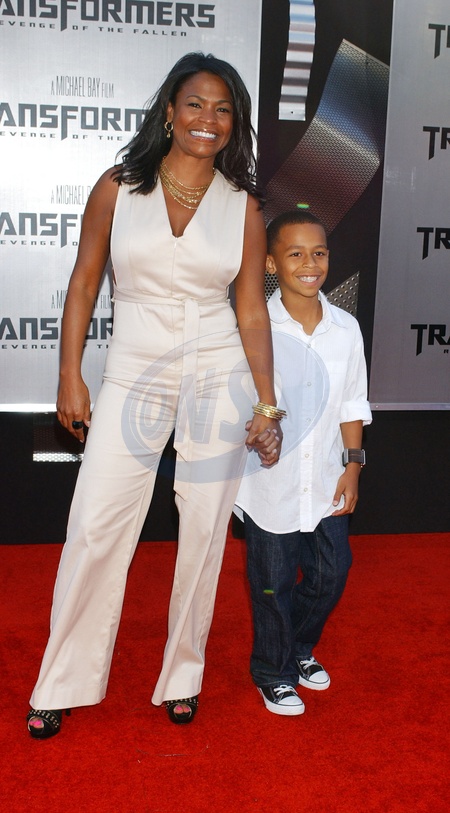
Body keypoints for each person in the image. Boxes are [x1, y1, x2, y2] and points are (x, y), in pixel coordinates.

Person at [27, 52, 284, 739]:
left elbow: (251, 311)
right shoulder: (119, 187)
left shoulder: (243, 206)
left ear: (235, 124)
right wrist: (69, 374)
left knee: (204, 527)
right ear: (169, 111)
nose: (208, 119)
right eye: (196, 104)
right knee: (95, 522)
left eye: (223, 110)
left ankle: (183, 674)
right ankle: (61, 680)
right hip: (133, 366)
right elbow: (84, 282)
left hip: (218, 370)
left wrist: (267, 402)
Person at [234, 210, 372, 715]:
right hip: (270, 484)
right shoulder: (255, 326)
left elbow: (352, 402)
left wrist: (353, 466)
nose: (309, 264)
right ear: (271, 263)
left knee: (332, 574)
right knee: (271, 586)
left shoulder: (346, 329)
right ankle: (272, 672)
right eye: (295, 254)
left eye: (319, 253)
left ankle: (297, 648)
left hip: (326, 479)